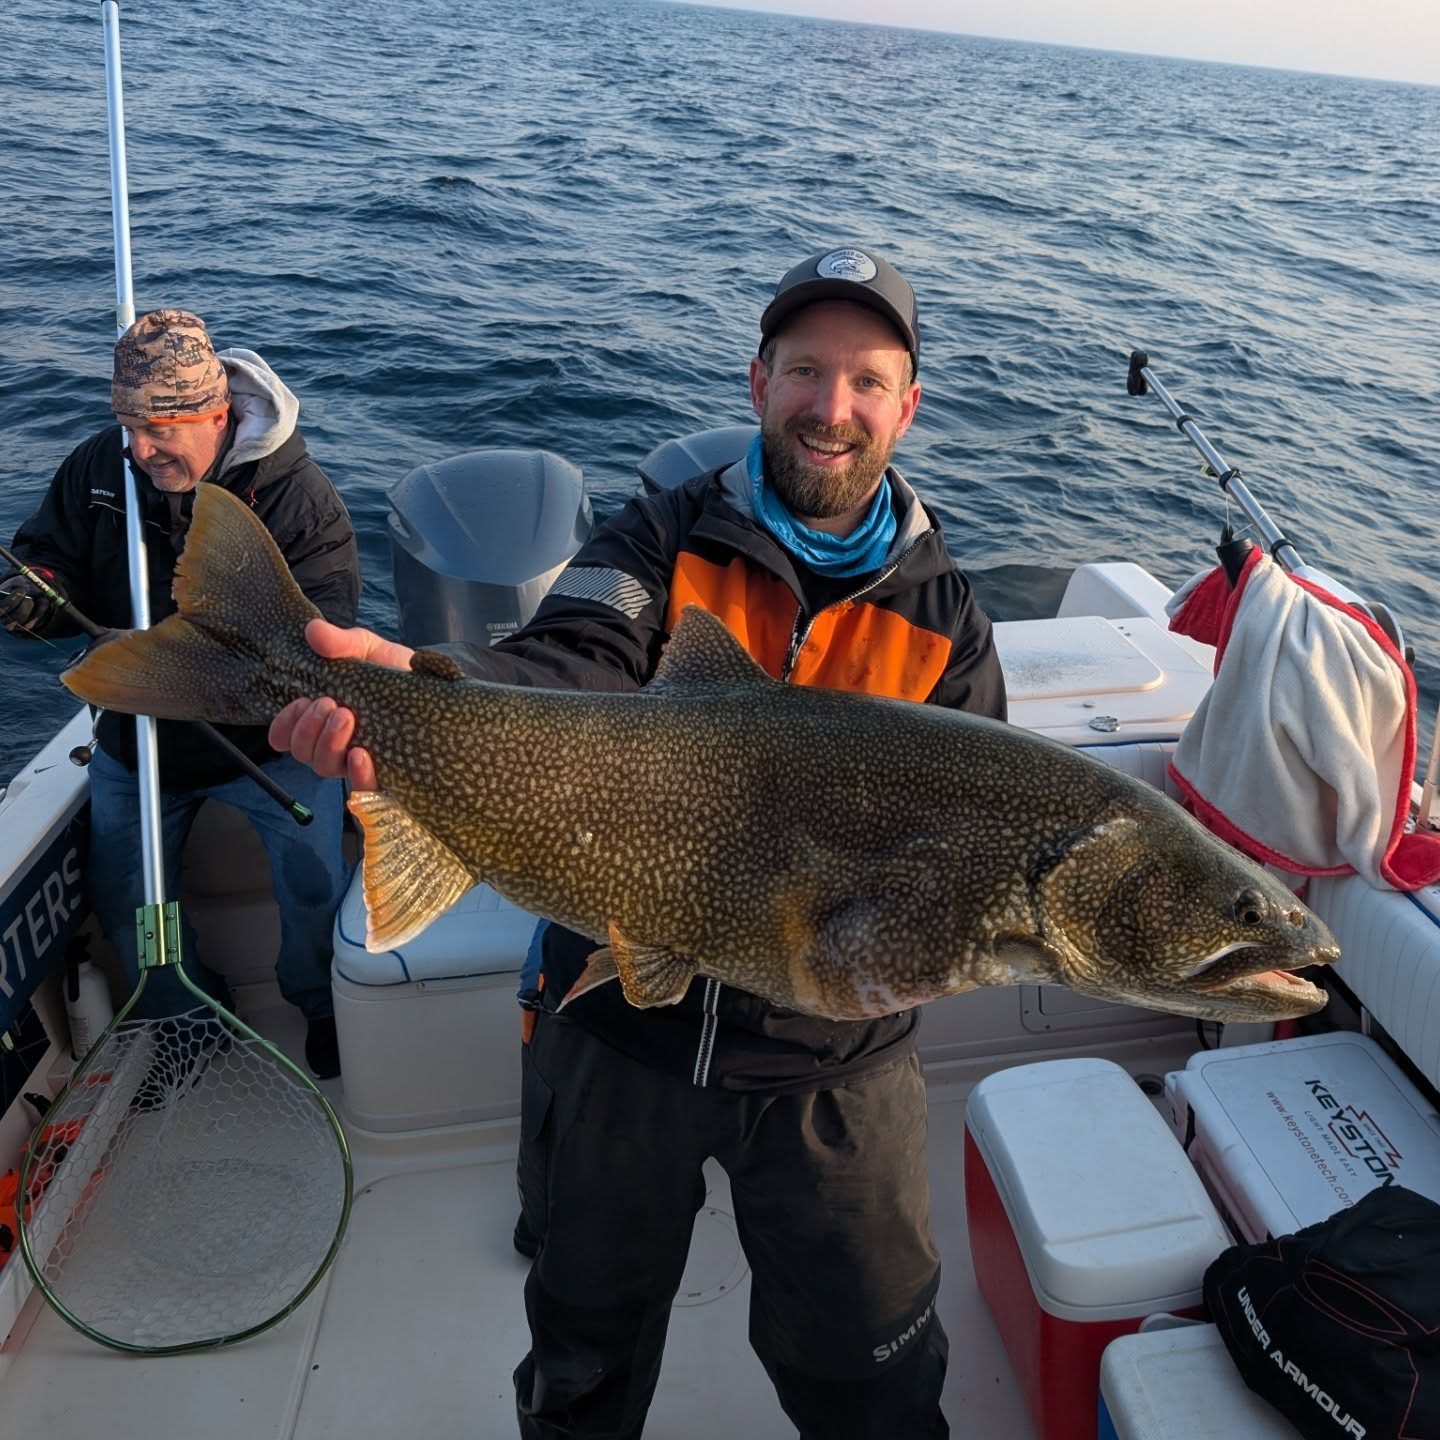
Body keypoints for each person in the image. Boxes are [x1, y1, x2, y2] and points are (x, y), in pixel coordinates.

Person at [271, 248, 1006, 1437]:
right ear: (759, 380)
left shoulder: (949, 627)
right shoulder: (662, 539)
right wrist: (420, 686)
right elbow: (566, 670)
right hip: (619, 1033)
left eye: (868, 381)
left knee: (874, 1388)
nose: (834, 408)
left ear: (907, 406)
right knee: (582, 1361)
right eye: (807, 372)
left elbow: (959, 859)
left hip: (833, 1068)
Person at [0, 309, 360, 1079]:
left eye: (161, 426)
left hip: (271, 745)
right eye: (128, 426)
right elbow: (46, 554)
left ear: (218, 412)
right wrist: (35, 596)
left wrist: (191, 671)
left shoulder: (300, 501)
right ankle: (182, 1015)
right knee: (128, 893)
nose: (141, 448)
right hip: (137, 735)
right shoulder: (102, 470)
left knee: (313, 881)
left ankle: (321, 1003)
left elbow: (326, 640)